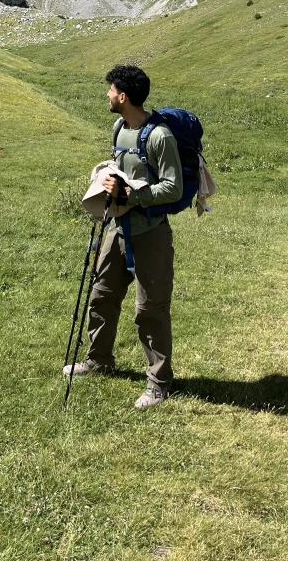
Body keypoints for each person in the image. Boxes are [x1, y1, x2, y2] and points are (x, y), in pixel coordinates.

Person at [63, 65, 183, 408]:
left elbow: (173, 189)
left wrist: (130, 194)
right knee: (101, 294)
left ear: (123, 96)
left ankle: (159, 384)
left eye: (110, 90)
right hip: (116, 229)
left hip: (150, 234)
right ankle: (99, 359)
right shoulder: (119, 128)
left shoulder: (160, 137)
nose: (107, 95)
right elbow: (123, 171)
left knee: (150, 309)